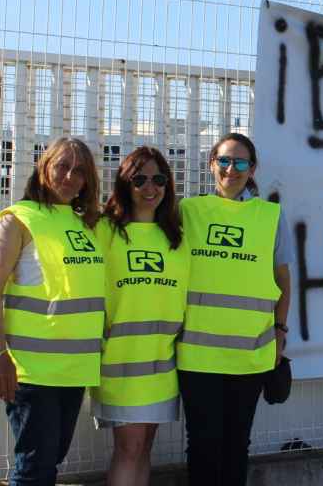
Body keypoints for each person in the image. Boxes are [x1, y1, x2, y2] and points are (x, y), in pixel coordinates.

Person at [0, 137, 106, 486]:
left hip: (75, 368)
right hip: (33, 371)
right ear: (44, 168)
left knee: (50, 461)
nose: (69, 177)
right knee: (35, 468)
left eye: (79, 171)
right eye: (62, 166)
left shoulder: (88, 224)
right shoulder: (18, 220)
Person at [177, 132, 293, 486]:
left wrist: (280, 331)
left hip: (250, 354)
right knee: (201, 445)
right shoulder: (188, 211)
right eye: (224, 160)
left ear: (253, 168)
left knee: (236, 445)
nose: (232, 169)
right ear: (212, 164)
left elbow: (283, 281)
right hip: (198, 356)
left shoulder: (270, 216)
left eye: (241, 162)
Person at [93, 147, 188, 486]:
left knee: (144, 450)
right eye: (140, 179)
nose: (151, 187)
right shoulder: (105, 231)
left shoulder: (176, 236)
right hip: (122, 365)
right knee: (129, 451)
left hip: (162, 367)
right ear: (125, 184)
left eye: (159, 179)